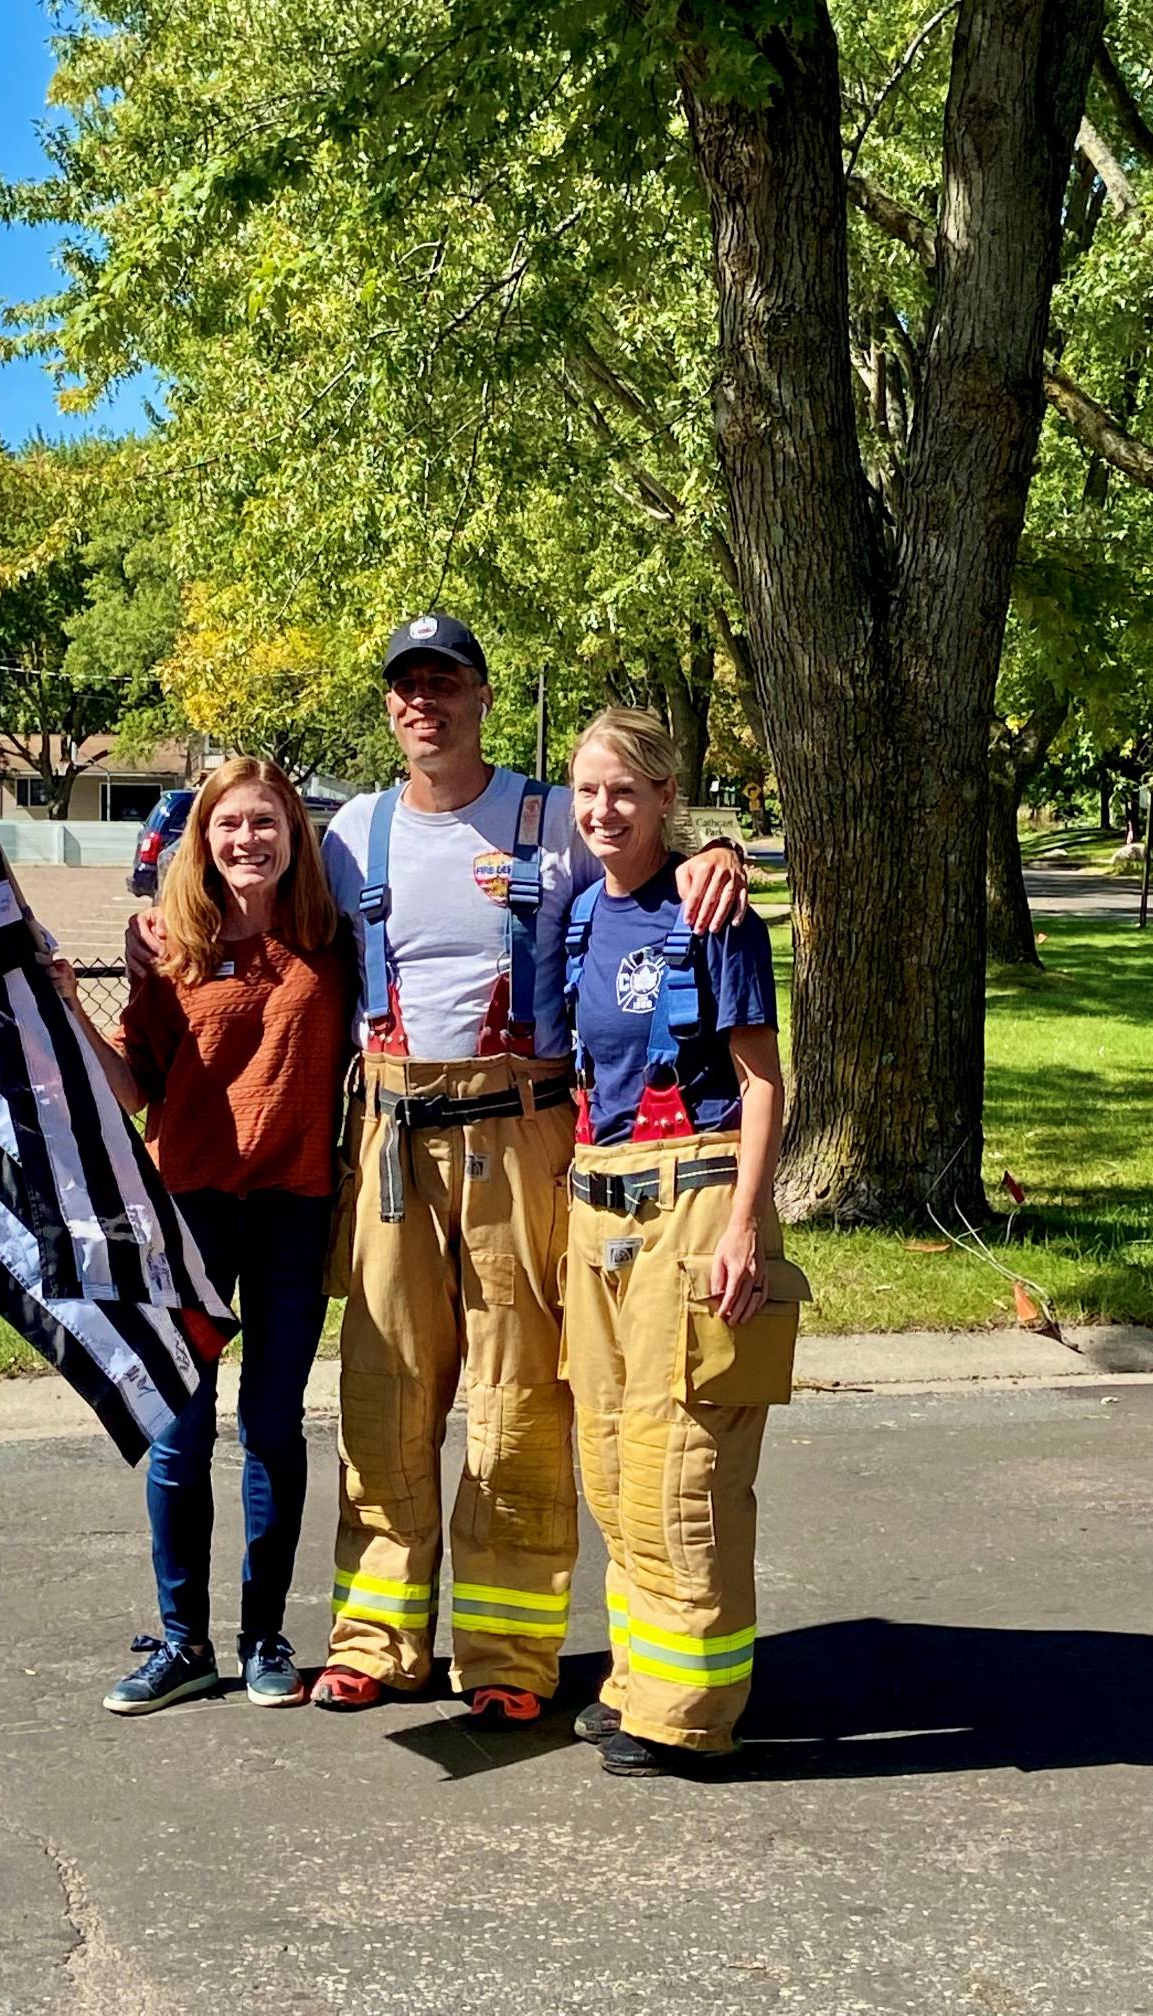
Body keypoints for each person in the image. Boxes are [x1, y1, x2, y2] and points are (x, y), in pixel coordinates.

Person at [310, 614, 748, 1724]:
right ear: (390, 706)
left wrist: (719, 856)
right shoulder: (350, 833)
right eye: (408, 687)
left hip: (519, 1128)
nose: (427, 704)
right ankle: (374, 1635)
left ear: (482, 698)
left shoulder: (550, 819)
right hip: (395, 1131)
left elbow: (647, 857)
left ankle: (508, 1657)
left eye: (446, 684)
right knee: (383, 1385)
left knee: (519, 1394)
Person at [51, 756, 352, 1713]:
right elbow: (135, 1086)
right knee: (179, 1437)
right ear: (203, 839)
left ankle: (264, 1637)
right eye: (229, 825)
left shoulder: (334, 939)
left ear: (293, 833)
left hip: (294, 1206)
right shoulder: (171, 946)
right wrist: (70, 1004)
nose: (247, 841)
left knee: (273, 1427)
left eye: (264, 822)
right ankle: (184, 1644)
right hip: (187, 1212)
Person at [560, 708, 809, 1777]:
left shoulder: (716, 918)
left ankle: (692, 1714)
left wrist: (747, 1225)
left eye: (625, 791)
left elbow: (762, 1083)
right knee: (614, 1459)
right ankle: (638, 1681)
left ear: (666, 797)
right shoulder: (578, 916)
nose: (603, 811)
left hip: (698, 1200)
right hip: (602, 1203)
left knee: (688, 1463)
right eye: (586, 793)